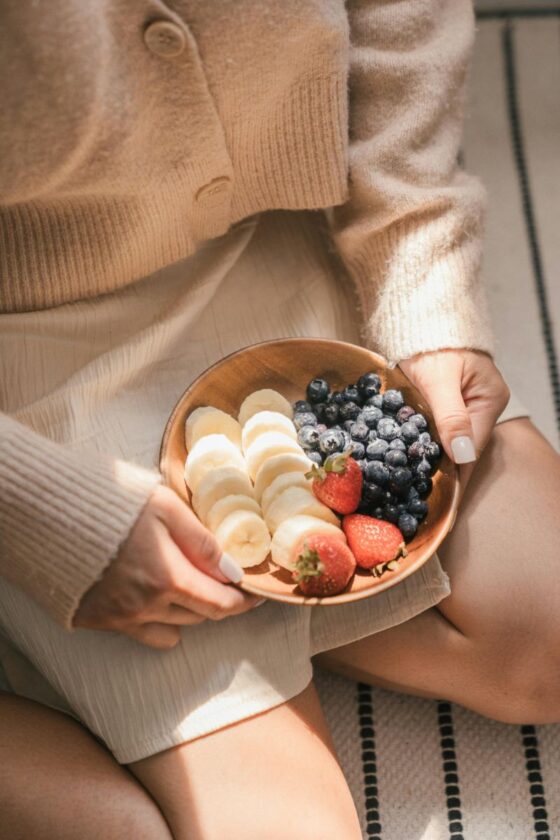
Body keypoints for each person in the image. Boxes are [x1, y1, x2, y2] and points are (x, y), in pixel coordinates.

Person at [0, 1, 558, 837]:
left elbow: (399, 22)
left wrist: (424, 285)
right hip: (27, 370)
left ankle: (267, 603)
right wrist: (37, 513)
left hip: (272, 256)